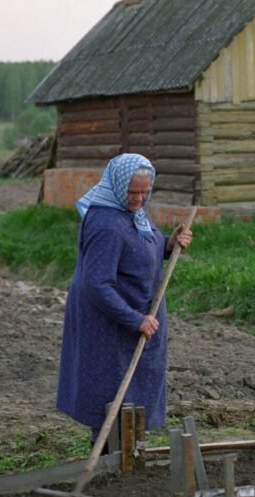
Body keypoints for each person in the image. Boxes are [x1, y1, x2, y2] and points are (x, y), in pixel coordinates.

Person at [56, 153, 192, 445]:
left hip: (139, 314)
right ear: (118, 186)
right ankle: (110, 453)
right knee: (112, 391)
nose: (139, 199)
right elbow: (97, 284)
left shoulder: (133, 214)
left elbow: (140, 250)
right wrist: (135, 319)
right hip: (112, 322)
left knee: (135, 391)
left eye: (145, 192)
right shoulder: (107, 224)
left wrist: (168, 244)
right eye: (133, 192)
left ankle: (131, 450)